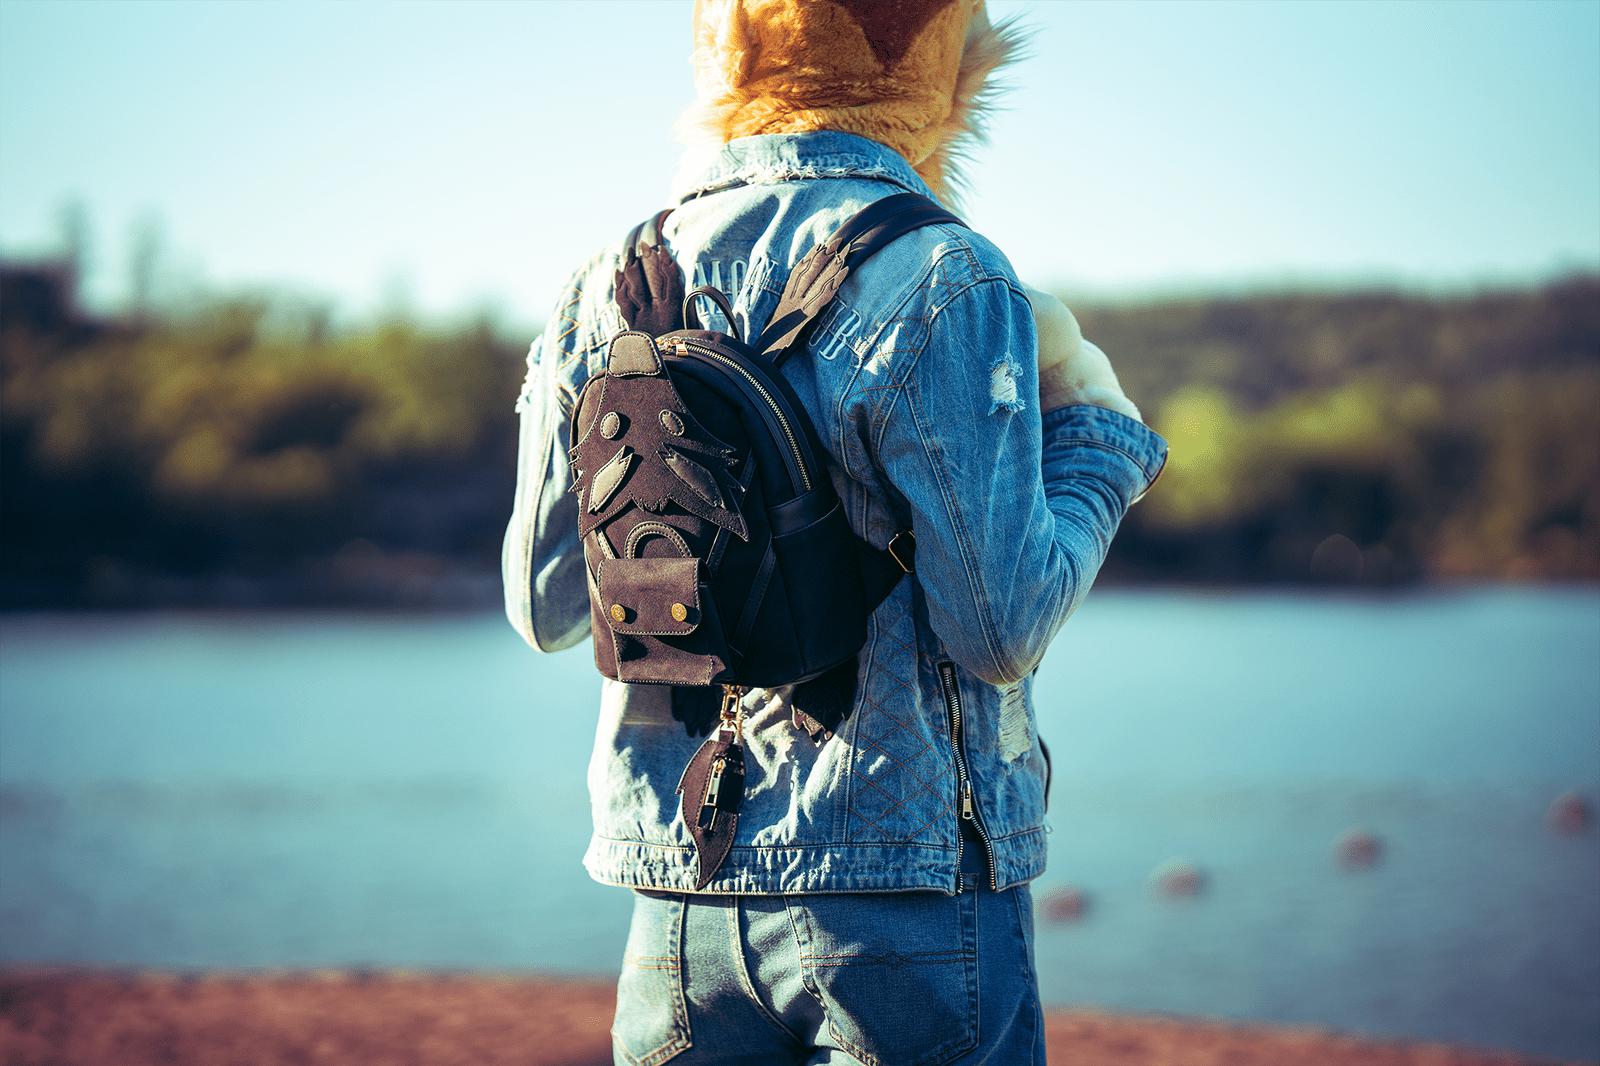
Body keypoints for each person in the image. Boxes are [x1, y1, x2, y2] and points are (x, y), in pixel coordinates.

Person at [502, 1, 1169, 1062]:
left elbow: (542, 607)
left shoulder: (607, 280)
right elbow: (998, 627)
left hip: (676, 887)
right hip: (896, 887)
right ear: (948, 74)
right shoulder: (946, 273)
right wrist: (1097, 441)